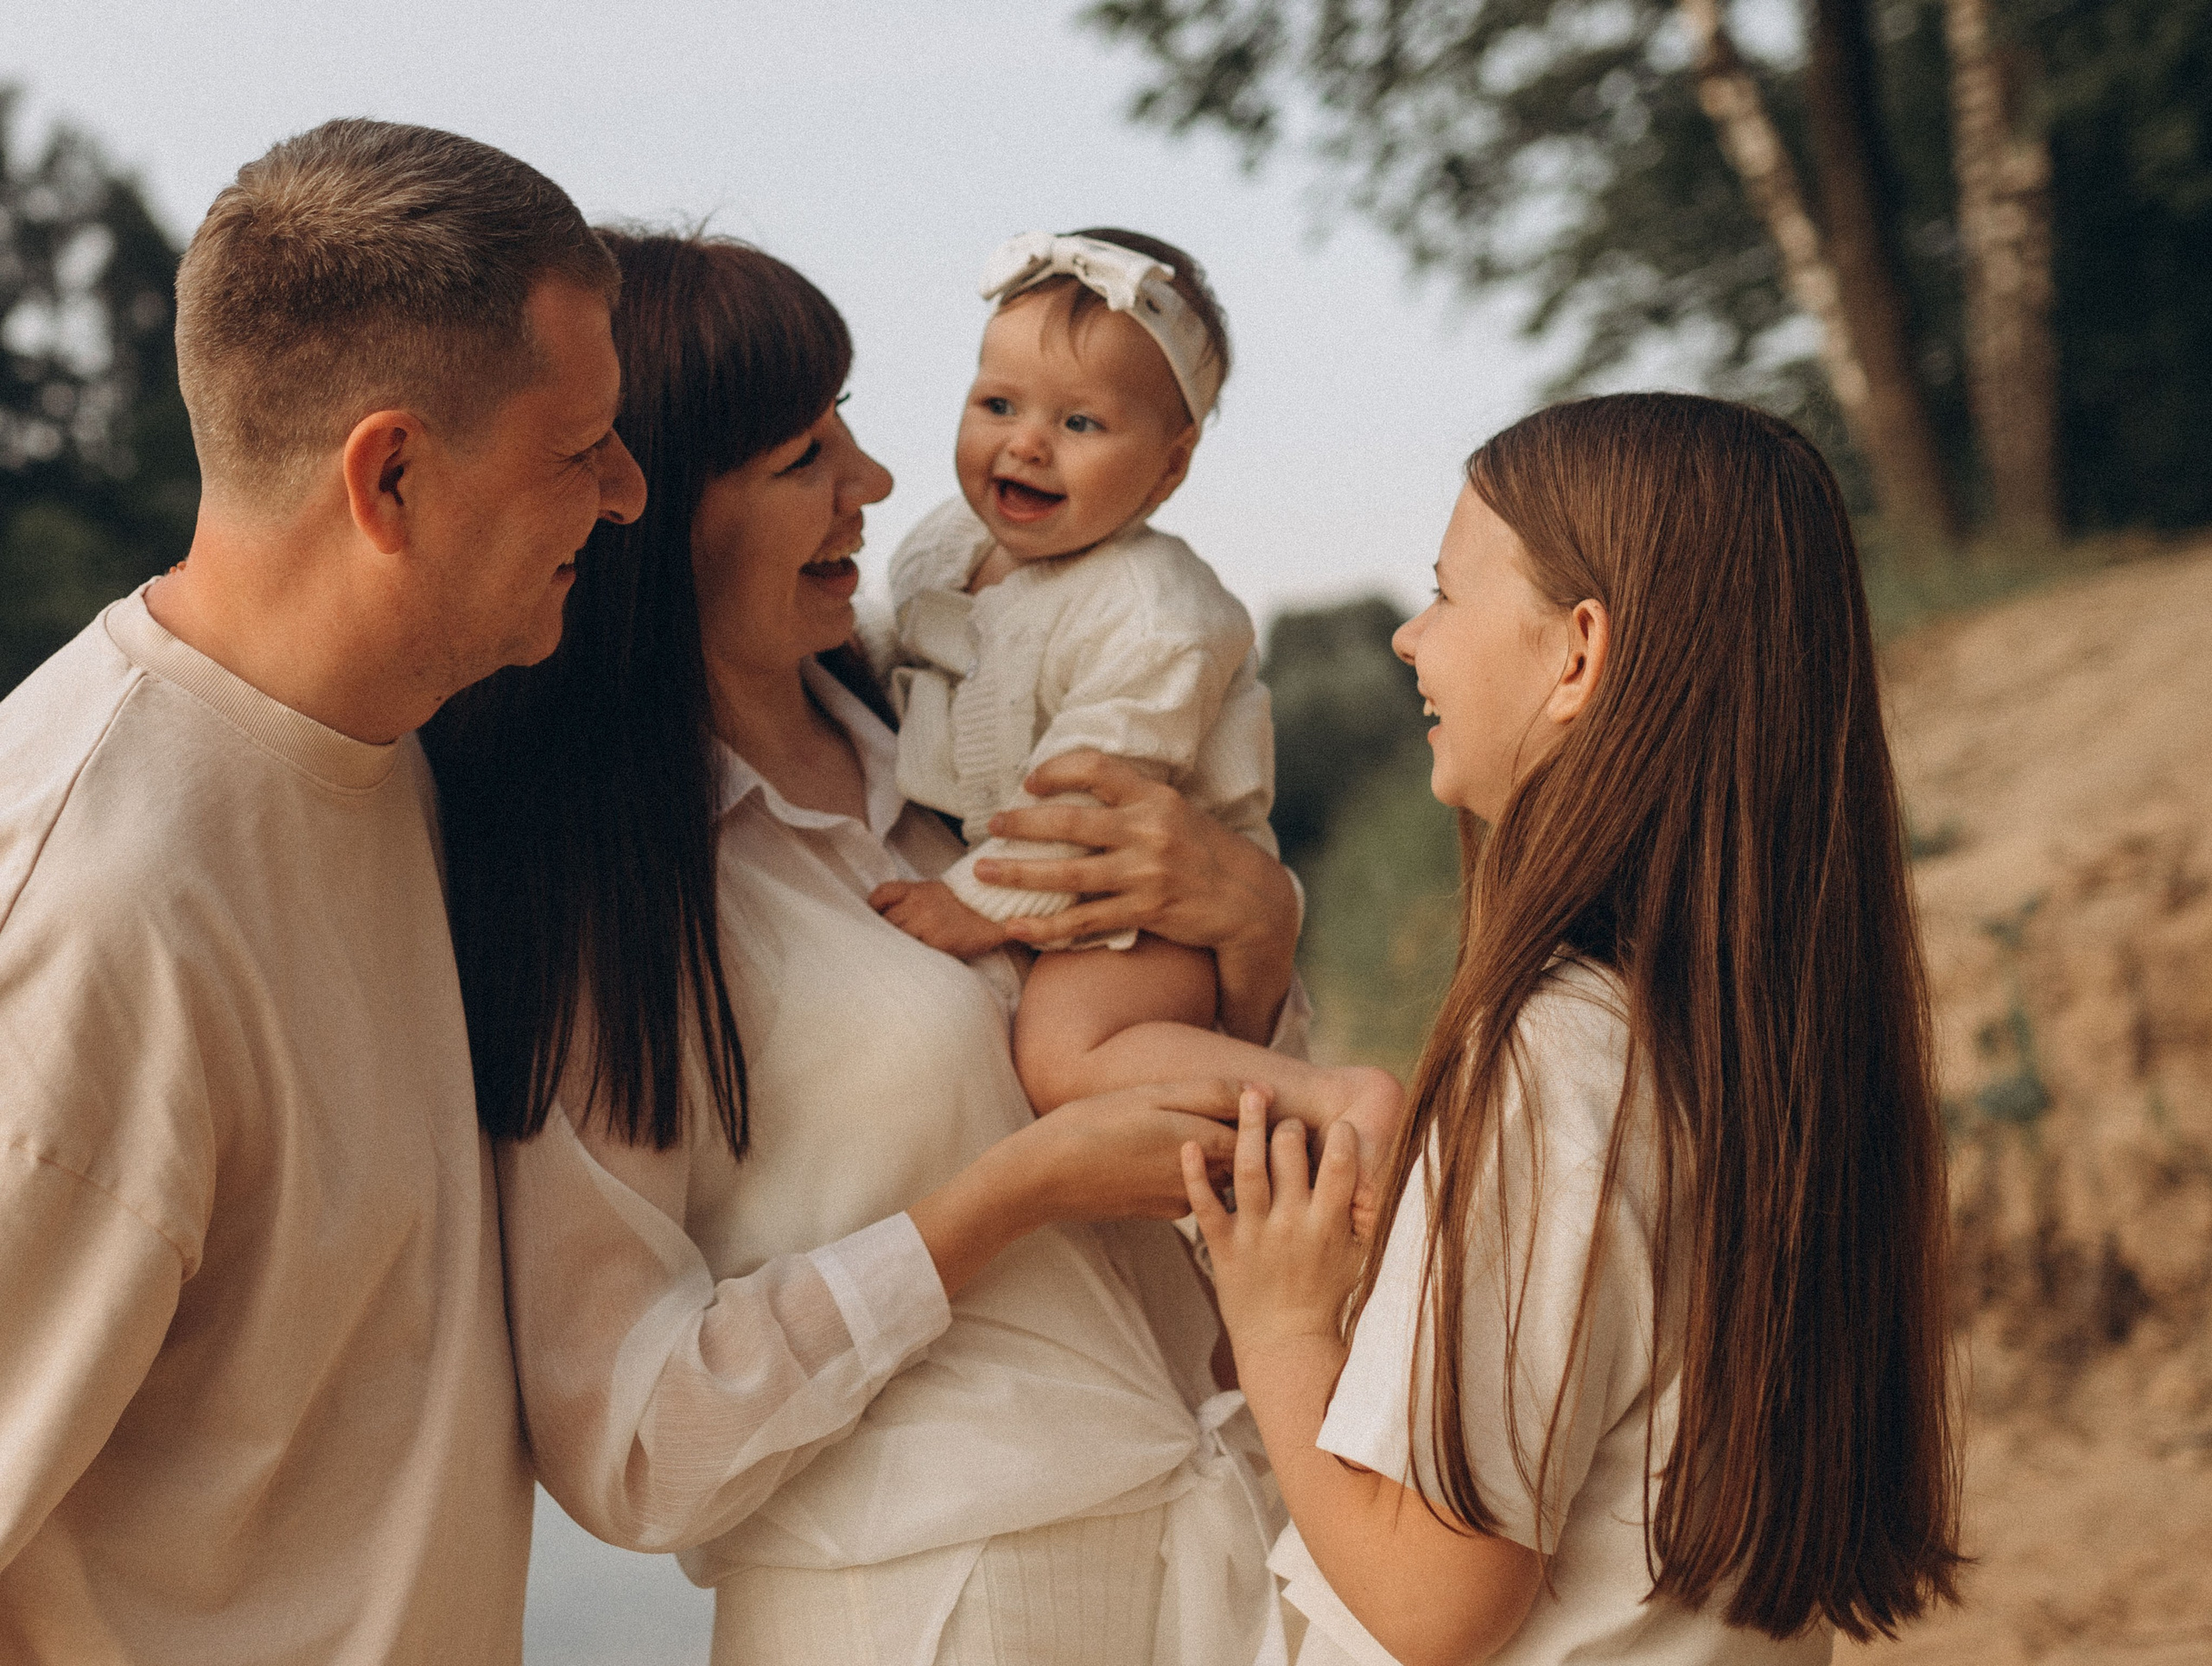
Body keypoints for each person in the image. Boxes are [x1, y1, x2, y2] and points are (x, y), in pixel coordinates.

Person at [423, 231, 1306, 1666]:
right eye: (802, 458)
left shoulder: (965, 749)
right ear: (654, 507)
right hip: (921, 1609)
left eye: (847, 424)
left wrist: (1259, 941)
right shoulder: (621, 896)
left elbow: (1195, 1150)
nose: (877, 482)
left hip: (1204, 1556)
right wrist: (1002, 1200)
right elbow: (633, 1448)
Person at [0, 119, 649, 1661]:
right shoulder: (93, 910)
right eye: (579, 447)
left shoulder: (383, 751)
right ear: (392, 475)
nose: (627, 494)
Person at [1185, 394, 1963, 1665]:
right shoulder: (1756, 1055)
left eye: (1447, 592)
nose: (1409, 636)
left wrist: (1278, 1326)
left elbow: (1434, 1600)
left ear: (1578, 652)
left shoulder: (1553, 1058)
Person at [870, 227, 1400, 1169]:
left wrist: (971, 902)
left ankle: (1334, 1101)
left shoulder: (1156, 612)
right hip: (1050, 881)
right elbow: (902, 651)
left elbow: (1089, 790)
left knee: (1062, 1053)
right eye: (997, 404)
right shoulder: (944, 546)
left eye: (1081, 424)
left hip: (1148, 907)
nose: (1026, 443)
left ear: (1169, 465)